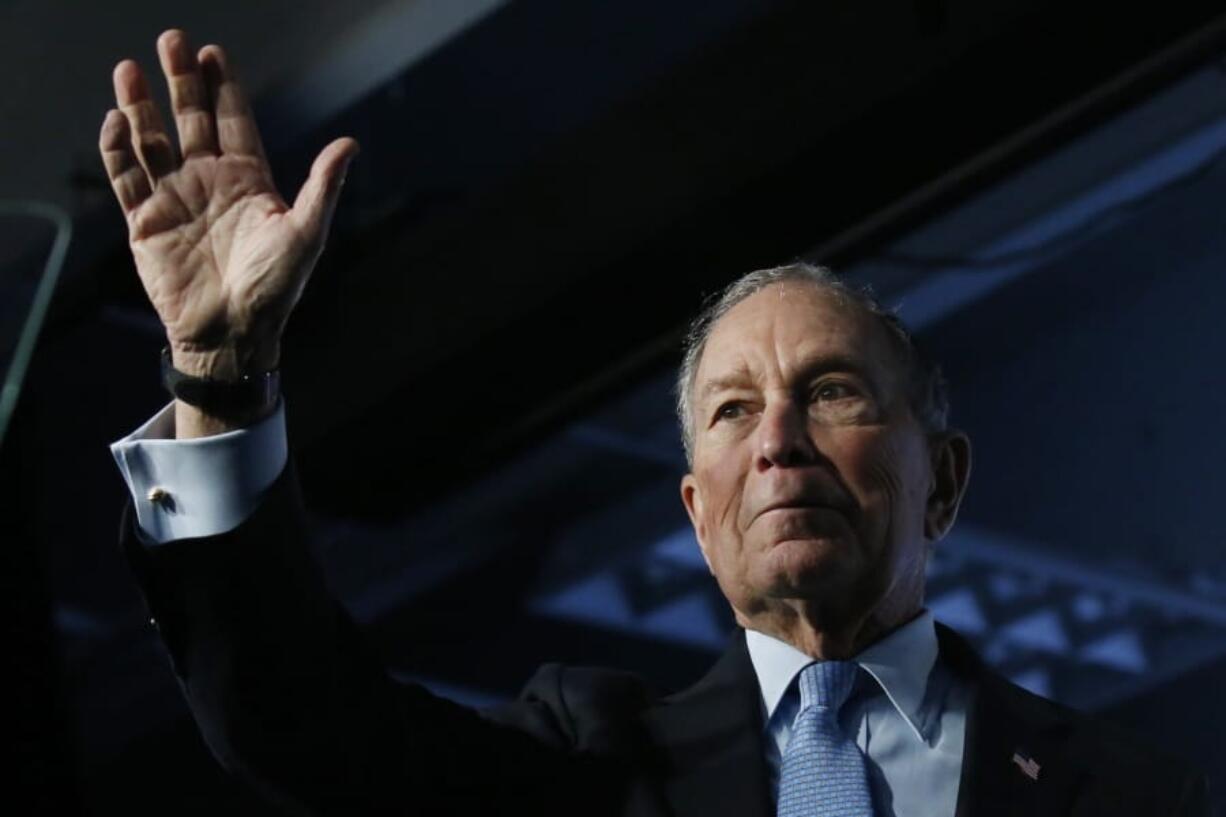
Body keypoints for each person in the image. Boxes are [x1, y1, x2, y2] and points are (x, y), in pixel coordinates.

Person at [103, 29, 1211, 817]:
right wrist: (221, 377)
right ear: (695, 508)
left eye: (830, 392)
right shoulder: (584, 764)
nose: (775, 438)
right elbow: (296, 724)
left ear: (946, 479)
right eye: (731, 412)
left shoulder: (1128, 792)